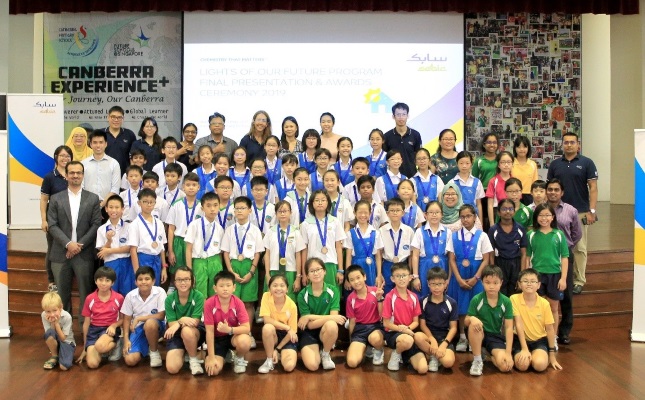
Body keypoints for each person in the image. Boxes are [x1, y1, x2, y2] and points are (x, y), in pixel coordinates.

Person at [47, 161, 102, 326]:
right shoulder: (56, 198)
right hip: (60, 253)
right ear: (66, 175)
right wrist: (68, 244)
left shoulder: (92, 198)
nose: (75, 175)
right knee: (62, 296)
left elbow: (96, 224)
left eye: (78, 172)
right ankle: (65, 332)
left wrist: (78, 245)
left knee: (86, 294)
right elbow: (52, 225)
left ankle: (85, 332)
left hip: (84, 254)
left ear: (83, 175)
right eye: (72, 173)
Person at [547, 132, 598, 295]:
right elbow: (550, 188)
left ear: (578, 145)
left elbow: (594, 188)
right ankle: (557, 276)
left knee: (579, 248)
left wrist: (592, 211)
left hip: (581, 211)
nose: (569, 145)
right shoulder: (555, 164)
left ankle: (578, 280)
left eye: (572, 142)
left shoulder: (587, 163)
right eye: (566, 142)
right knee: (555, 245)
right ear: (562, 144)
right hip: (556, 211)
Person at [447, 204, 494, 352]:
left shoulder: (482, 235)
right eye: (463, 217)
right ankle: (462, 336)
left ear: (475, 217)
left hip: (476, 274)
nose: (466, 219)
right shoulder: (453, 235)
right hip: (459, 274)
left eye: (468, 216)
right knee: (461, 307)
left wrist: (476, 277)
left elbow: (486, 259)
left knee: (477, 307)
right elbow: (452, 259)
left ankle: (477, 337)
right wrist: (459, 279)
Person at [220, 196, 265, 349]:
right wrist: (230, 271)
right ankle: (232, 333)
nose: (239, 211)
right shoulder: (229, 230)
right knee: (232, 302)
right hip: (233, 267)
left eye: (243, 208)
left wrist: (251, 272)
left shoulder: (255, 230)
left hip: (249, 266)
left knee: (248, 303)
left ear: (249, 210)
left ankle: (248, 332)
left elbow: (258, 253)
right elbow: (225, 252)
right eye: (237, 208)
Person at [524, 203, 570, 342]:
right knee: (539, 306)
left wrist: (563, 278)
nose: (544, 218)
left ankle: (553, 337)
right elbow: (527, 257)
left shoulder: (559, 234)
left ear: (553, 217)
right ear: (536, 217)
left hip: (554, 275)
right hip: (537, 276)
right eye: (541, 215)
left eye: (547, 215)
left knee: (553, 307)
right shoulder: (531, 235)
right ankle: (539, 336)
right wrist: (526, 277)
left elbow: (564, 257)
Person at [545, 178, 582, 345]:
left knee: (566, 295)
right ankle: (544, 332)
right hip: (545, 258)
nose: (553, 192)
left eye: (556, 190)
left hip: (564, 256)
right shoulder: (541, 209)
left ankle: (565, 332)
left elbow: (577, 233)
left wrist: (567, 248)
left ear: (562, 192)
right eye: (550, 189)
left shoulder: (571, 210)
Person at [465, 265, 514, 376]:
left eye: (495, 283)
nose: (491, 286)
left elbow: (509, 327)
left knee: (505, 366)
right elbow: (466, 321)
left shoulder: (506, 301)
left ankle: (487, 353)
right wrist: (472, 318)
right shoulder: (477, 299)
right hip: (479, 333)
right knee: (474, 324)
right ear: (482, 282)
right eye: (487, 282)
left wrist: (508, 352)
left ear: (501, 282)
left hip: (495, 336)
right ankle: (477, 360)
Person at [297, 258, 345, 371]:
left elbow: (334, 320)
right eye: (312, 271)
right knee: (313, 366)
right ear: (307, 276)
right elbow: (309, 325)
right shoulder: (302, 295)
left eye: (318, 269)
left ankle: (325, 353)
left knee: (332, 325)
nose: (316, 273)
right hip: (309, 333)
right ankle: (318, 349)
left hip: (325, 329)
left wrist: (309, 317)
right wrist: (329, 317)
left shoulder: (333, 290)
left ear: (324, 271)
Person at [511, 268, 562, 372]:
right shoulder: (514, 299)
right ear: (519, 284)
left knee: (539, 365)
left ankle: (537, 356)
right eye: (525, 281)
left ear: (538, 285)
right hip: (520, 340)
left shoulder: (544, 303)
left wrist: (552, 356)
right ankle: (524, 354)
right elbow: (518, 324)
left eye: (533, 281)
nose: (529, 284)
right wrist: (524, 349)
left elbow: (549, 329)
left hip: (539, 340)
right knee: (522, 366)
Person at [204, 270, 252, 375]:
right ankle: (224, 355)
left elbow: (246, 328)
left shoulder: (238, 302)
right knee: (213, 371)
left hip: (233, 336)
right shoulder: (209, 303)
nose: (225, 289)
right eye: (221, 286)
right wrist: (211, 357)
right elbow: (209, 331)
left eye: (228, 285)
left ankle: (239, 358)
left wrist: (229, 330)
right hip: (217, 339)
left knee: (245, 341)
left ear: (234, 287)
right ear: (215, 288)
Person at [381, 263, 427, 374]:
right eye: (398, 276)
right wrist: (401, 329)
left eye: (404, 275)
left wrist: (407, 329)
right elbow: (386, 324)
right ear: (392, 279)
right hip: (394, 333)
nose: (401, 279)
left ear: (410, 277)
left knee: (423, 369)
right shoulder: (389, 297)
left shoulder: (414, 297)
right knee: (407, 340)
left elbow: (416, 322)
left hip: (409, 331)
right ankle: (396, 354)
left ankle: (405, 355)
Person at [76, 267, 124, 368]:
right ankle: (103, 349)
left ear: (112, 283)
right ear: (95, 281)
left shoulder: (119, 298)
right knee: (92, 364)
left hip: (109, 329)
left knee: (100, 346)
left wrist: (114, 326)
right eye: (100, 280)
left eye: (107, 280)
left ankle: (117, 344)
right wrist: (85, 347)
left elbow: (123, 319)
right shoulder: (90, 298)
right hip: (94, 330)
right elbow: (86, 323)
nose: (103, 283)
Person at [40, 145, 72, 292]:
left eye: (67, 156)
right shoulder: (49, 177)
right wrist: (43, 220)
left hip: (71, 220)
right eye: (62, 156)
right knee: (53, 249)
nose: (65, 158)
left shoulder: (73, 174)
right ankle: (52, 281)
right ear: (56, 157)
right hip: (54, 220)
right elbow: (43, 199)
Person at [163, 267, 206, 376]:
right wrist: (182, 320)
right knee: (172, 368)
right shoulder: (169, 299)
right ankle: (187, 351)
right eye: (179, 279)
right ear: (175, 281)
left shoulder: (198, 296)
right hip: (176, 334)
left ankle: (193, 359)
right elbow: (172, 325)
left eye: (186, 279)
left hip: (194, 332)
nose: (183, 282)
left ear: (192, 280)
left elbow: (195, 322)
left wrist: (180, 321)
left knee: (186, 330)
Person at [414, 267, 458, 372]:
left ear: (445, 284)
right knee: (417, 336)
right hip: (428, 337)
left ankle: (435, 355)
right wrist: (432, 340)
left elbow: (453, 328)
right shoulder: (423, 301)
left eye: (439, 284)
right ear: (428, 284)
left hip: (444, 337)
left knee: (448, 363)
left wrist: (444, 344)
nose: (436, 288)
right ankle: (433, 356)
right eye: (433, 284)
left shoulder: (452, 303)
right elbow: (423, 325)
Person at [300, 190, 347, 288]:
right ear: (312, 203)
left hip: (331, 263)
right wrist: (304, 273)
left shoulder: (335, 221)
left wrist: (340, 270)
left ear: (328, 203)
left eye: (323, 200)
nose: (320, 202)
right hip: (312, 266)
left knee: (331, 294)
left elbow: (338, 247)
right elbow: (304, 250)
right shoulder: (306, 224)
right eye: (317, 200)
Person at [122, 266, 167, 368]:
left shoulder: (160, 292)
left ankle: (154, 352)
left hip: (157, 326)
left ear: (153, 281)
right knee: (130, 360)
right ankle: (145, 346)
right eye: (140, 279)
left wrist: (139, 318)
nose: (143, 282)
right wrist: (126, 340)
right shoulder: (130, 296)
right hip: (138, 328)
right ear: (135, 282)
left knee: (150, 323)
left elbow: (161, 315)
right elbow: (127, 319)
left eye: (147, 279)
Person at [262, 200, 306, 302]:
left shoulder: (296, 232)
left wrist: (298, 277)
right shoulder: (270, 232)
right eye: (280, 211)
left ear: (290, 213)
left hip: (290, 271)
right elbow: (267, 254)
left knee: (290, 300)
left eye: (285, 211)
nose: (282, 214)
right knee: (272, 300)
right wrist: (267, 274)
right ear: (276, 214)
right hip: (273, 270)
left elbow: (298, 255)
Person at [345, 265, 386, 368]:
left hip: (375, 327)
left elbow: (382, 315)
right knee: (352, 362)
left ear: (364, 277)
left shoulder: (375, 291)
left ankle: (378, 350)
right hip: (360, 329)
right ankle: (366, 347)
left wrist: (379, 299)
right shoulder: (351, 299)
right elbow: (352, 321)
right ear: (349, 283)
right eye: (352, 280)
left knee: (375, 338)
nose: (356, 282)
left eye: (358, 277)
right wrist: (351, 340)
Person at [185, 192, 224, 298]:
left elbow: (220, 252)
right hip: (199, 261)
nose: (212, 209)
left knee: (215, 291)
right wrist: (189, 271)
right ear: (202, 208)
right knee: (200, 292)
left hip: (215, 261)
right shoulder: (194, 225)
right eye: (208, 205)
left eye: (215, 205)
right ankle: (202, 314)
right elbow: (188, 249)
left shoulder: (220, 228)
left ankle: (213, 314)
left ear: (219, 207)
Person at [258, 274, 299, 373]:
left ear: (287, 289)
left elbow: (292, 332)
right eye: (275, 285)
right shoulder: (266, 296)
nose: (278, 288)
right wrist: (287, 327)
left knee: (289, 367)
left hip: (286, 337)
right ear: (269, 288)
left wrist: (278, 349)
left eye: (282, 285)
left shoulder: (292, 306)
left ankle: (278, 353)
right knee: (267, 327)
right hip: (274, 333)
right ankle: (269, 360)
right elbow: (267, 320)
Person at [411, 201, 451, 299]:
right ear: (425, 215)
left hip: (442, 266)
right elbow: (415, 256)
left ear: (442, 214)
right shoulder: (419, 232)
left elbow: (451, 258)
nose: (434, 215)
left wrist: (449, 278)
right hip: (425, 267)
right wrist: (415, 277)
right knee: (424, 296)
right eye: (431, 212)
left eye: (437, 212)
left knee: (441, 296)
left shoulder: (448, 232)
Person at [128, 188, 168, 286]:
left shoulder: (159, 223)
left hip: (157, 261)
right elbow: (133, 250)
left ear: (155, 203)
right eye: (145, 202)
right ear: (139, 203)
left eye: (151, 202)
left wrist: (164, 267)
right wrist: (137, 273)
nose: (149, 205)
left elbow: (162, 248)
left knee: (155, 289)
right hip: (143, 259)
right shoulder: (134, 224)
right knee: (143, 289)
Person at [166, 172, 203, 278]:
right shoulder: (176, 205)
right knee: (177, 270)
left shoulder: (202, 206)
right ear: (183, 187)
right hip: (179, 241)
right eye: (188, 185)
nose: (191, 188)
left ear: (198, 187)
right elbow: (171, 229)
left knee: (193, 270)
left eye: (194, 185)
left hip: (195, 242)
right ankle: (174, 288)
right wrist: (171, 250)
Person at [96, 195, 134, 296]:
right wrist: (109, 240)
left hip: (126, 263)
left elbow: (129, 248)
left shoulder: (129, 227)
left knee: (127, 293)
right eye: (111, 207)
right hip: (110, 264)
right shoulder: (101, 229)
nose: (114, 210)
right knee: (112, 293)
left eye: (117, 207)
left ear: (122, 209)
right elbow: (102, 253)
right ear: (106, 209)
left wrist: (110, 250)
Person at [488, 198, 527, 297]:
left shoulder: (520, 229)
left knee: (515, 294)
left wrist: (522, 275)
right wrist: (493, 270)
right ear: (498, 212)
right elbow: (491, 252)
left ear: (514, 211)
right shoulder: (493, 230)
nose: (508, 211)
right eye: (504, 209)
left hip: (516, 264)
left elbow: (523, 254)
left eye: (510, 209)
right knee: (501, 294)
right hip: (500, 263)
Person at [344, 200, 384, 287]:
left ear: (370, 213)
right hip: (356, 266)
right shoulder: (350, 233)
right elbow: (348, 256)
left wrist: (379, 275)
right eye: (360, 212)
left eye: (365, 212)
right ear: (355, 213)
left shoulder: (375, 232)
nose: (363, 215)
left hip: (371, 267)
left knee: (371, 292)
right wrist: (347, 277)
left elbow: (378, 256)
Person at [379, 198, 412, 294]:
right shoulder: (381, 230)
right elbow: (379, 254)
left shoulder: (408, 231)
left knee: (403, 292)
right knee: (387, 292)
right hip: (387, 265)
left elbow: (411, 255)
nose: (395, 213)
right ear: (387, 213)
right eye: (392, 210)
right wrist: (380, 273)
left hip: (403, 264)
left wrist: (410, 271)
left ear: (403, 213)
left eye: (398, 210)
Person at [82, 130, 121, 209]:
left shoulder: (114, 163)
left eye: (101, 142)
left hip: (108, 207)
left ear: (106, 144)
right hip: (87, 206)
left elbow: (115, 189)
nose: (98, 145)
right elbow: (81, 187)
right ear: (90, 144)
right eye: (95, 142)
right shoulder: (83, 164)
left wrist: (102, 204)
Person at [382, 103, 422, 179]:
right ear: (393, 116)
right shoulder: (387, 136)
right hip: (392, 177)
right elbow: (385, 158)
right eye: (398, 115)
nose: (401, 118)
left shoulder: (415, 135)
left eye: (404, 114)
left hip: (412, 176)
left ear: (408, 116)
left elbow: (419, 155)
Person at [41, 292, 76, 371]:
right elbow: (49, 334)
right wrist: (52, 323)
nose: (52, 314)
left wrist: (56, 323)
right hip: (55, 339)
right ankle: (54, 356)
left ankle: (64, 354)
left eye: (54, 310)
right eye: (48, 311)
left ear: (61, 307)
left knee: (64, 366)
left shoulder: (67, 316)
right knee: (49, 333)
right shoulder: (44, 315)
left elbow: (63, 338)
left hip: (67, 342)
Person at [453, 151, 485, 225]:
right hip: (457, 219)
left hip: (473, 219)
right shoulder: (452, 183)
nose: (464, 166)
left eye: (467, 163)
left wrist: (481, 222)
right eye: (461, 163)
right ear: (457, 164)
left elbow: (479, 204)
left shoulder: (477, 182)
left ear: (471, 164)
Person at [103, 105, 136, 175]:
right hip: (104, 173)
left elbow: (134, 156)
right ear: (108, 117)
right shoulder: (100, 134)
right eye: (113, 117)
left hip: (125, 174)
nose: (116, 120)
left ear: (123, 119)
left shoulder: (129, 134)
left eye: (119, 117)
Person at [486, 151, 514, 228]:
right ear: (498, 164)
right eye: (503, 162)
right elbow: (490, 205)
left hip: (511, 213)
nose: (506, 165)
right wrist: (492, 223)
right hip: (497, 214)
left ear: (512, 164)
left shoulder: (515, 181)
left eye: (509, 162)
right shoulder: (493, 181)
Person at [512, 136, 538, 205]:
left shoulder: (533, 164)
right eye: (519, 147)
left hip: (529, 196)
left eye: (524, 147)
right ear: (515, 148)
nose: (522, 149)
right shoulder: (511, 163)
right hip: (513, 195)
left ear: (528, 148)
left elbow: (535, 184)